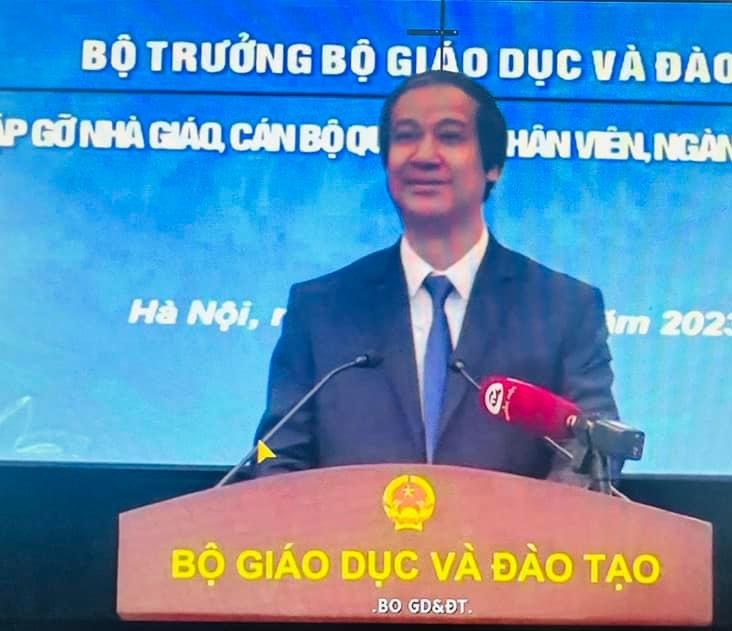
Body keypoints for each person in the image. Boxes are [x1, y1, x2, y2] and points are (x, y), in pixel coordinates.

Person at [247, 70, 620, 485]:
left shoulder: (564, 308)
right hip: (347, 530)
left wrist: (533, 525)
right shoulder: (320, 309)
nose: (424, 155)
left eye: (450, 136)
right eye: (406, 136)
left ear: (493, 165)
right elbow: (273, 451)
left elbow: (591, 451)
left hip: (516, 530)